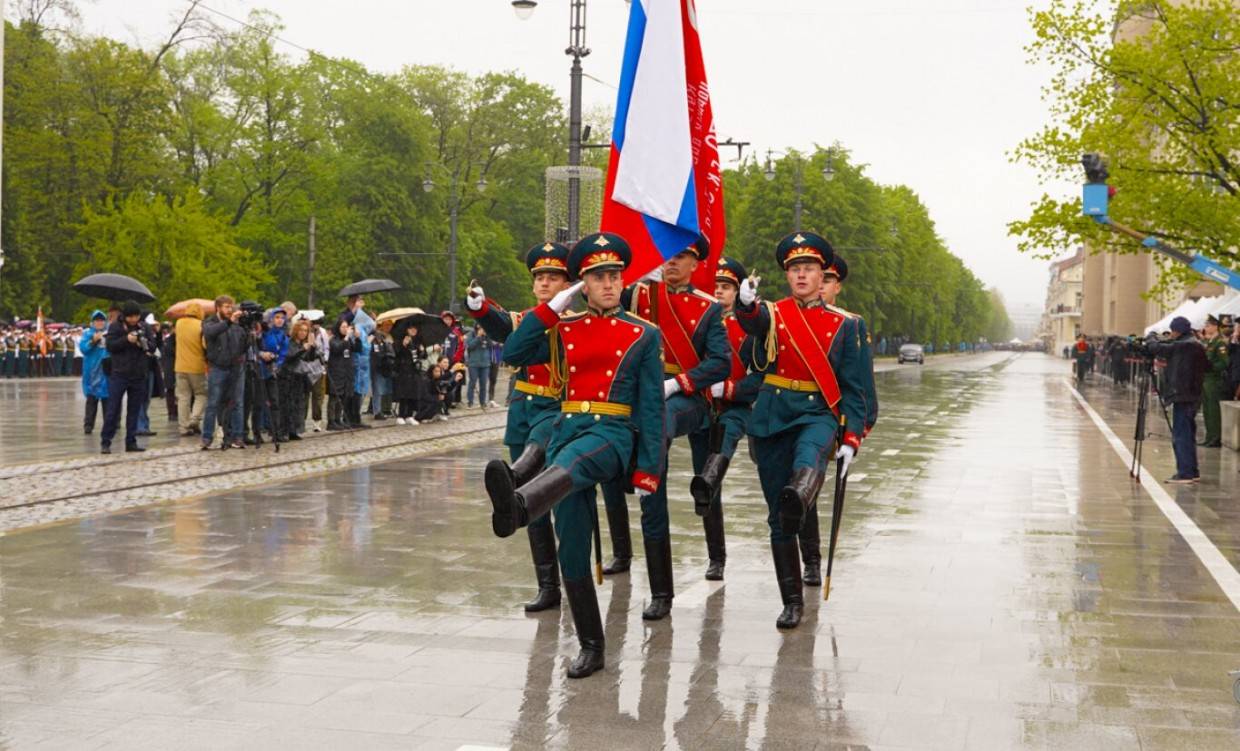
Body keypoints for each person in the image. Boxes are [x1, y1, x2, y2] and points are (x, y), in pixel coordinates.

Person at [485, 231, 664, 679]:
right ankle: (591, 645)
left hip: (612, 434)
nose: (608, 284)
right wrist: (551, 308)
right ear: (583, 283)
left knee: (575, 463)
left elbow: (651, 408)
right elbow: (513, 351)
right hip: (568, 428)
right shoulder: (563, 328)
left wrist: (648, 470)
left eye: (614, 276)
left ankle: (520, 505)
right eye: (598, 277)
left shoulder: (643, 334)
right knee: (573, 548)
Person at [734, 231, 870, 629]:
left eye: (809, 268)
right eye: (794, 269)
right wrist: (745, 304)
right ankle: (792, 602)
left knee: (806, 467)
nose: (801, 275)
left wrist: (851, 438)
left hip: (817, 414)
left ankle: (801, 496)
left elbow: (855, 388)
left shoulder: (848, 325)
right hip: (773, 416)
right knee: (779, 517)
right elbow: (753, 322)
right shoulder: (773, 314)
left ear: (822, 273)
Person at [603, 237, 731, 615]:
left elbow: (720, 363)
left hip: (687, 397)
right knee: (621, 459)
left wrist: (678, 383)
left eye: (680, 258)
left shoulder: (707, 310)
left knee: (702, 479)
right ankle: (637, 565)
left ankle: (710, 559)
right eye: (668, 255)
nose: (672, 263)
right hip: (644, 394)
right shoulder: (639, 295)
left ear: (695, 265)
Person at [467, 241, 574, 612]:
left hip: (557, 410)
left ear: (567, 283)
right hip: (524, 410)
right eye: (540, 278)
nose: (545, 283)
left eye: (554, 277)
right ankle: (547, 585)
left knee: (555, 496)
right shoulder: (528, 318)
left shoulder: (576, 320)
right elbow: (503, 329)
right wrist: (480, 307)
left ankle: (512, 475)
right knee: (530, 507)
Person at [793, 253, 878, 586]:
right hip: (795, 415)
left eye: (827, 280)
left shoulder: (848, 325)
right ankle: (808, 557)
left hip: (831, 419)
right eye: (819, 277)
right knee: (798, 484)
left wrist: (856, 434)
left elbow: (862, 385)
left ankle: (812, 559)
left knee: (806, 481)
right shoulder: (788, 317)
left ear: (836, 286)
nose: (821, 285)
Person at [688, 257, 764, 582]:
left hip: (734, 408)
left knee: (715, 461)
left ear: (737, 291)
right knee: (706, 487)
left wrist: (730, 388)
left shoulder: (748, 332)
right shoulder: (698, 323)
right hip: (702, 408)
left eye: (726, 287)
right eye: (715, 285)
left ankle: (711, 475)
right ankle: (716, 556)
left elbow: (760, 379)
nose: (719, 291)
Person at [1144, 317, 1207, 483]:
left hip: (1183, 395)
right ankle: (1192, 471)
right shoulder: (1194, 343)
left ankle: (1185, 473)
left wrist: (1151, 336)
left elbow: (1157, 348)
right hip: (1191, 394)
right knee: (1187, 433)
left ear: (1177, 330)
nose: (1171, 334)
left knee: (1181, 434)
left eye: (1172, 331)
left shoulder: (1185, 345)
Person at [99, 302, 153, 454]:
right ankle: (106, 441)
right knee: (113, 409)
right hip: (120, 373)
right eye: (131, 317)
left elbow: (153, 346)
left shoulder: (143, 327)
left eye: (136, 316)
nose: (134, 319)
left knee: (134, 410)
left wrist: (143, 343)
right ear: (125, 316)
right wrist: (126, 340)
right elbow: (110, 346)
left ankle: (131, 441)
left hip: (138, 374)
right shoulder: (116, 327)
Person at [201, 296, 249, 450]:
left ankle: (237, 436)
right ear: (218, 308)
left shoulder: (237, 324)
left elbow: (244, 344)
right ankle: (207, 437)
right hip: (218, 367)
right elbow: (210, 333)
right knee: (213, 403)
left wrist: (249, 329)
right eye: (227, 307)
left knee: (238, 403)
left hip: (236, 367)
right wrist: (229, 322)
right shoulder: (210, 322)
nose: (230, 310)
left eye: (231, 307)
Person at [174, 302, 208, 436]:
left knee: (183, 397)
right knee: (202, 394)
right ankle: (194, 419)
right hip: (196, 366)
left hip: (180, 366)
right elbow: (205, 345)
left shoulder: (179, 323)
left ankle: (183, 427)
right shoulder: (201, 326)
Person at [280, 318, 315, 440]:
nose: (303, 333)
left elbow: (310, 358)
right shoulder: (290, 342)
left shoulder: (302, 344)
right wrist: (302, 349)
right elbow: (289, 356)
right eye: (301, 330)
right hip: (288, 376)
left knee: (298, 404)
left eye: (305, 331)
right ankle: (285, 430)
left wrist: (312, 347)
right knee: (287, 404)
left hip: (299, 377)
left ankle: (294, 430)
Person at [326, 317, 361, 430]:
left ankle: (338, 419)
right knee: (334, 397)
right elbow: (337, 349)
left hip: (346, 372)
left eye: (347, 327)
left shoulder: (348, 340)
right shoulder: (333, 340)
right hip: (336, 372)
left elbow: (357, 349)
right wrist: (346, 338)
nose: (346, 329)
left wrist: (357, 338)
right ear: (338, 328)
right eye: (343, 327)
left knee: (343, 397)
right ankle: (331, 421)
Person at [392, 321, 430, 425]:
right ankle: (401, 415)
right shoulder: (400, 340)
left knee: (413, 393)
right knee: (404, 393)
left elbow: (424, 356)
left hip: (415, 370)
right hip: (404, 370)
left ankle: (409, 415)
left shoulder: (418, 341)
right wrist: (403, 345)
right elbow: (396, 353)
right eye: (411, 329)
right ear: (407, 330)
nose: (413, 331)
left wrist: (422, 350)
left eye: (415, 329)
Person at [259, 308, 289, 441]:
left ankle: (275, 431)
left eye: (282, 318)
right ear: (271, 319)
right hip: (260, 370)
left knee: (275, 402)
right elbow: (257, 347)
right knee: (259, 403)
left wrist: (277, 362)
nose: (280, 320)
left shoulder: (283, 335)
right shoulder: (264, 332)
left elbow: (283, 353)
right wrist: (263, 354)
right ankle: (258, 431)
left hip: (273, 371)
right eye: (277, 317)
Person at [79, 310, 110, 434]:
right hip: (92, 372)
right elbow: (83, 348)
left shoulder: (109, 334)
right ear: (92, 322)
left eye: (102, 320)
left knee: (107, 400)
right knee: (92, 400)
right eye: (97, 320)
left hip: (106, 371)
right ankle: (88, 424)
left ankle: (109, 424)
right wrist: (93, 341)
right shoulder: (87, 334)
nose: (99, 323)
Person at [1199, 315, 1227, 448]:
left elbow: (1224, 362)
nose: (1206, 327)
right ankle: (1209, 436)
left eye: (1208, 325)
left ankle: (1215, 437)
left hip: (1214, 380)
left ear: (1215, 326)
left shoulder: (1220, 343)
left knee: (1213, 410)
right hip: (1206, 379)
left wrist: (1211, 367)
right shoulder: (1209, 342)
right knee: (1207, 409)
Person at [370, 320, 395, 420]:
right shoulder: (369, 337)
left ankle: (378, 411)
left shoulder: (385, 339)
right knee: (369, 391)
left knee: (379, 390)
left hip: (380, 367)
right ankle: (375, 410)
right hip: (370, 366)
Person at [465, 325, 493, 409]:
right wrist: (478, 337)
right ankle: (470, 402)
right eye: (481, 328)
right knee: (472, 383)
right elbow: (470, 346)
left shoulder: (487, 335)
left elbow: (490, 345)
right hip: (473, 364)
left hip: (485, 364)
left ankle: (482, 402)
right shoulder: (471, 334)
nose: (482, 330)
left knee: (483, 384)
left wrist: (486, 336)